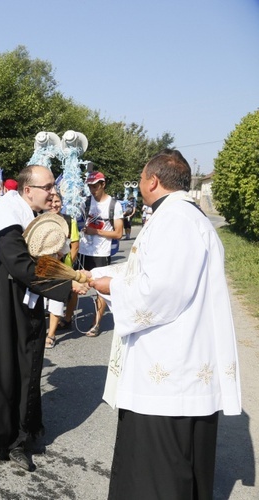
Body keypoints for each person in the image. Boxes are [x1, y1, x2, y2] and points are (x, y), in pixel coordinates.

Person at [89, 150, 241, 499]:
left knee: (160, 472)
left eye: (141, 178)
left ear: (153, 181)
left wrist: (111, 287)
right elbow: (151, 273)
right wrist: (103, 274)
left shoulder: (176, 221)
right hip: (176, 365)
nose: (140, 184)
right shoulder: (178, 215)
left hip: (169, 374)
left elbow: (160, 292)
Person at [0, 165, 89, 471]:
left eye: (54, 187)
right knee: (5, 369)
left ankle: (22, 432)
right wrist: (67, 284)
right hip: (4, 304)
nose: (53, 192)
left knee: (25, 365)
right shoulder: (8, 218)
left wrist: (67, 273)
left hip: (22, 300)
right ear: (28, 190)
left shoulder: (24, 213)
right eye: (48, 187)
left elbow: (37, 261)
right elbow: (21, 266)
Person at [78, 171, 123, 337]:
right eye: (90, 186)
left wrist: (95, 232)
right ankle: (67, 318)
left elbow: (118, 234)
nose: (92, 189)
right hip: (83, 250)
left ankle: (96, 323)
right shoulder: (85, 202)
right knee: (76, 283)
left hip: (101, 252)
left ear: (103, 184)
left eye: (95, 186)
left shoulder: (114, 205)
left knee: (100, 287)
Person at [45, 191, 80, 349]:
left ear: (62, 203)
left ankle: (51, 334)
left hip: (61, 268)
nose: (54, 204)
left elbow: (75, 246)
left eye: (57, 201)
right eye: (51, 201)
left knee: (57, 299)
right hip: (43, 266)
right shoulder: (40, 219)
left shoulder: (69, 220)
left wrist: (66, 267)